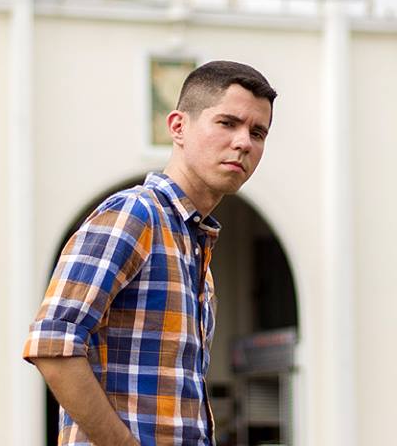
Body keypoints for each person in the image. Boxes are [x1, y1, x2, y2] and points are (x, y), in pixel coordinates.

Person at [23, 60, 277, 446]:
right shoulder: (134, 215)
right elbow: (53, 346)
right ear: (178, 127)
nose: (244, 142)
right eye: (227, 123)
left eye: (257, 132)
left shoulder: (196, 251)